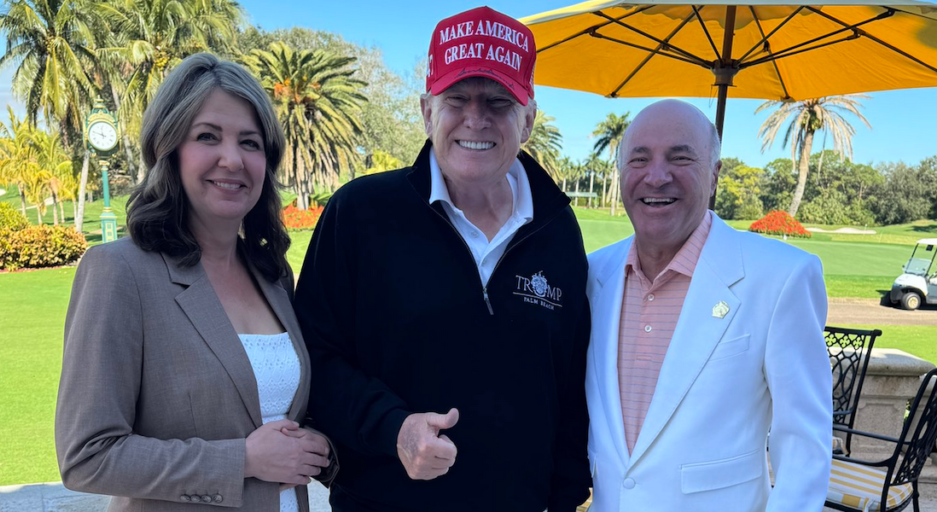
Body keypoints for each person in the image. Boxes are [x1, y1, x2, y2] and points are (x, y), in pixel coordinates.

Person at [293, 6, 591, 511]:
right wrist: (394, 428)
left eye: (498, 101)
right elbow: (313, 359)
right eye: (457, 99)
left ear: (529, 119)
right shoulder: (360, 213)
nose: (476, 119)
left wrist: (563, 499)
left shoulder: (557, 229)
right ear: (428, 111)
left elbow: (570, 384)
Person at [55, 53, 335, 511]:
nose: (232, 159)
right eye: (207, 137)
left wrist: (315, 443)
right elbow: (88, 455)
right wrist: (242, 459)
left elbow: (282, 411)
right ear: (170, 149)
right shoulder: (119, 273)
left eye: (250, 142)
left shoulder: (272, 274)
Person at [584, 99, 832, 511]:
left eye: (680, 158)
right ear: (621, 172)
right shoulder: (593, 275)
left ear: (714, 175)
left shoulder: (782, 276)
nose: (657, 176)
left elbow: (804, 446)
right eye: (639, 159)